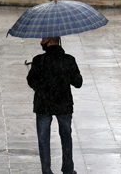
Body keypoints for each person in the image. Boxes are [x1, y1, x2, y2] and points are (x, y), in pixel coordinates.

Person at [27, 37, 82, 174]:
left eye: (43, 40)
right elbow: (78, 82)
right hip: (63, 105)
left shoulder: (39, 60)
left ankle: (46, 171)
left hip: (43, 105)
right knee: (66, 137)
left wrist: (41, 87)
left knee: (43, 139)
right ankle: (68, 169)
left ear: (51, 42)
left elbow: (31, 81)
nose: (41, 43)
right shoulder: (68, 60)